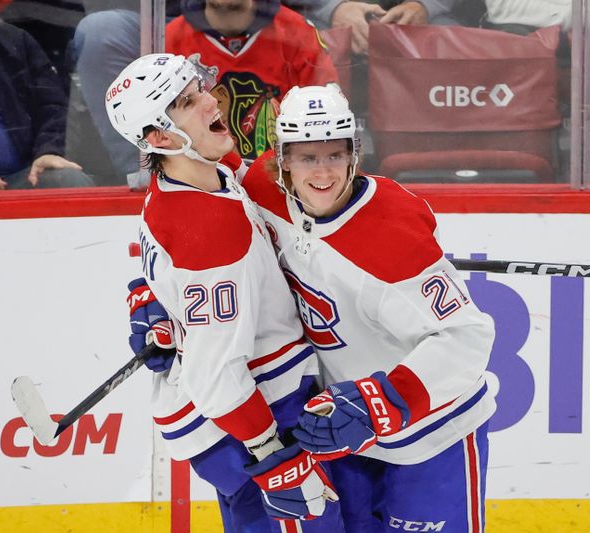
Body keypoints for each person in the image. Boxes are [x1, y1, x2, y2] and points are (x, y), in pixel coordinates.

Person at [240, 84, 497, 531]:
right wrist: (161, 291)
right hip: (345, 432)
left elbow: (468, 336)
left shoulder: (393, 236)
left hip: (432, 435)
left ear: (353, 154)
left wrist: (382, 402)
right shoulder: (262, 190)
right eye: (306, 157)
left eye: (334, 155)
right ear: (282, 159)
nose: (322, 172)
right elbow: (206, 216)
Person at [106, 54, 345, 531]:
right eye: (187, 101)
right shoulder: (211, 231)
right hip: (260, 420)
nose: (210, 100)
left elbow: (170, 268)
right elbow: (216, 374)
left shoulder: (190, 179)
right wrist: (271, 456)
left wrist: (150, 298)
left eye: (201, 88)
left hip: (236, 420)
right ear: (159, 137)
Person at [165, 0, 339, 162]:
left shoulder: (297, 32)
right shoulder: (169, 39)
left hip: (283, 178)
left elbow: (328, 121)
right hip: (202, 181)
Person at [0, 13, 93, 191]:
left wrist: (49, 150)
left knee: (69, 180)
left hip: (21, 177)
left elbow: (54, 106)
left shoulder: (12, 42)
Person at [307, 0, 464, 55]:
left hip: (417, 17)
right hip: (320, 16)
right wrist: (333, 8)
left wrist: (424, 6)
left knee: (449, 40)